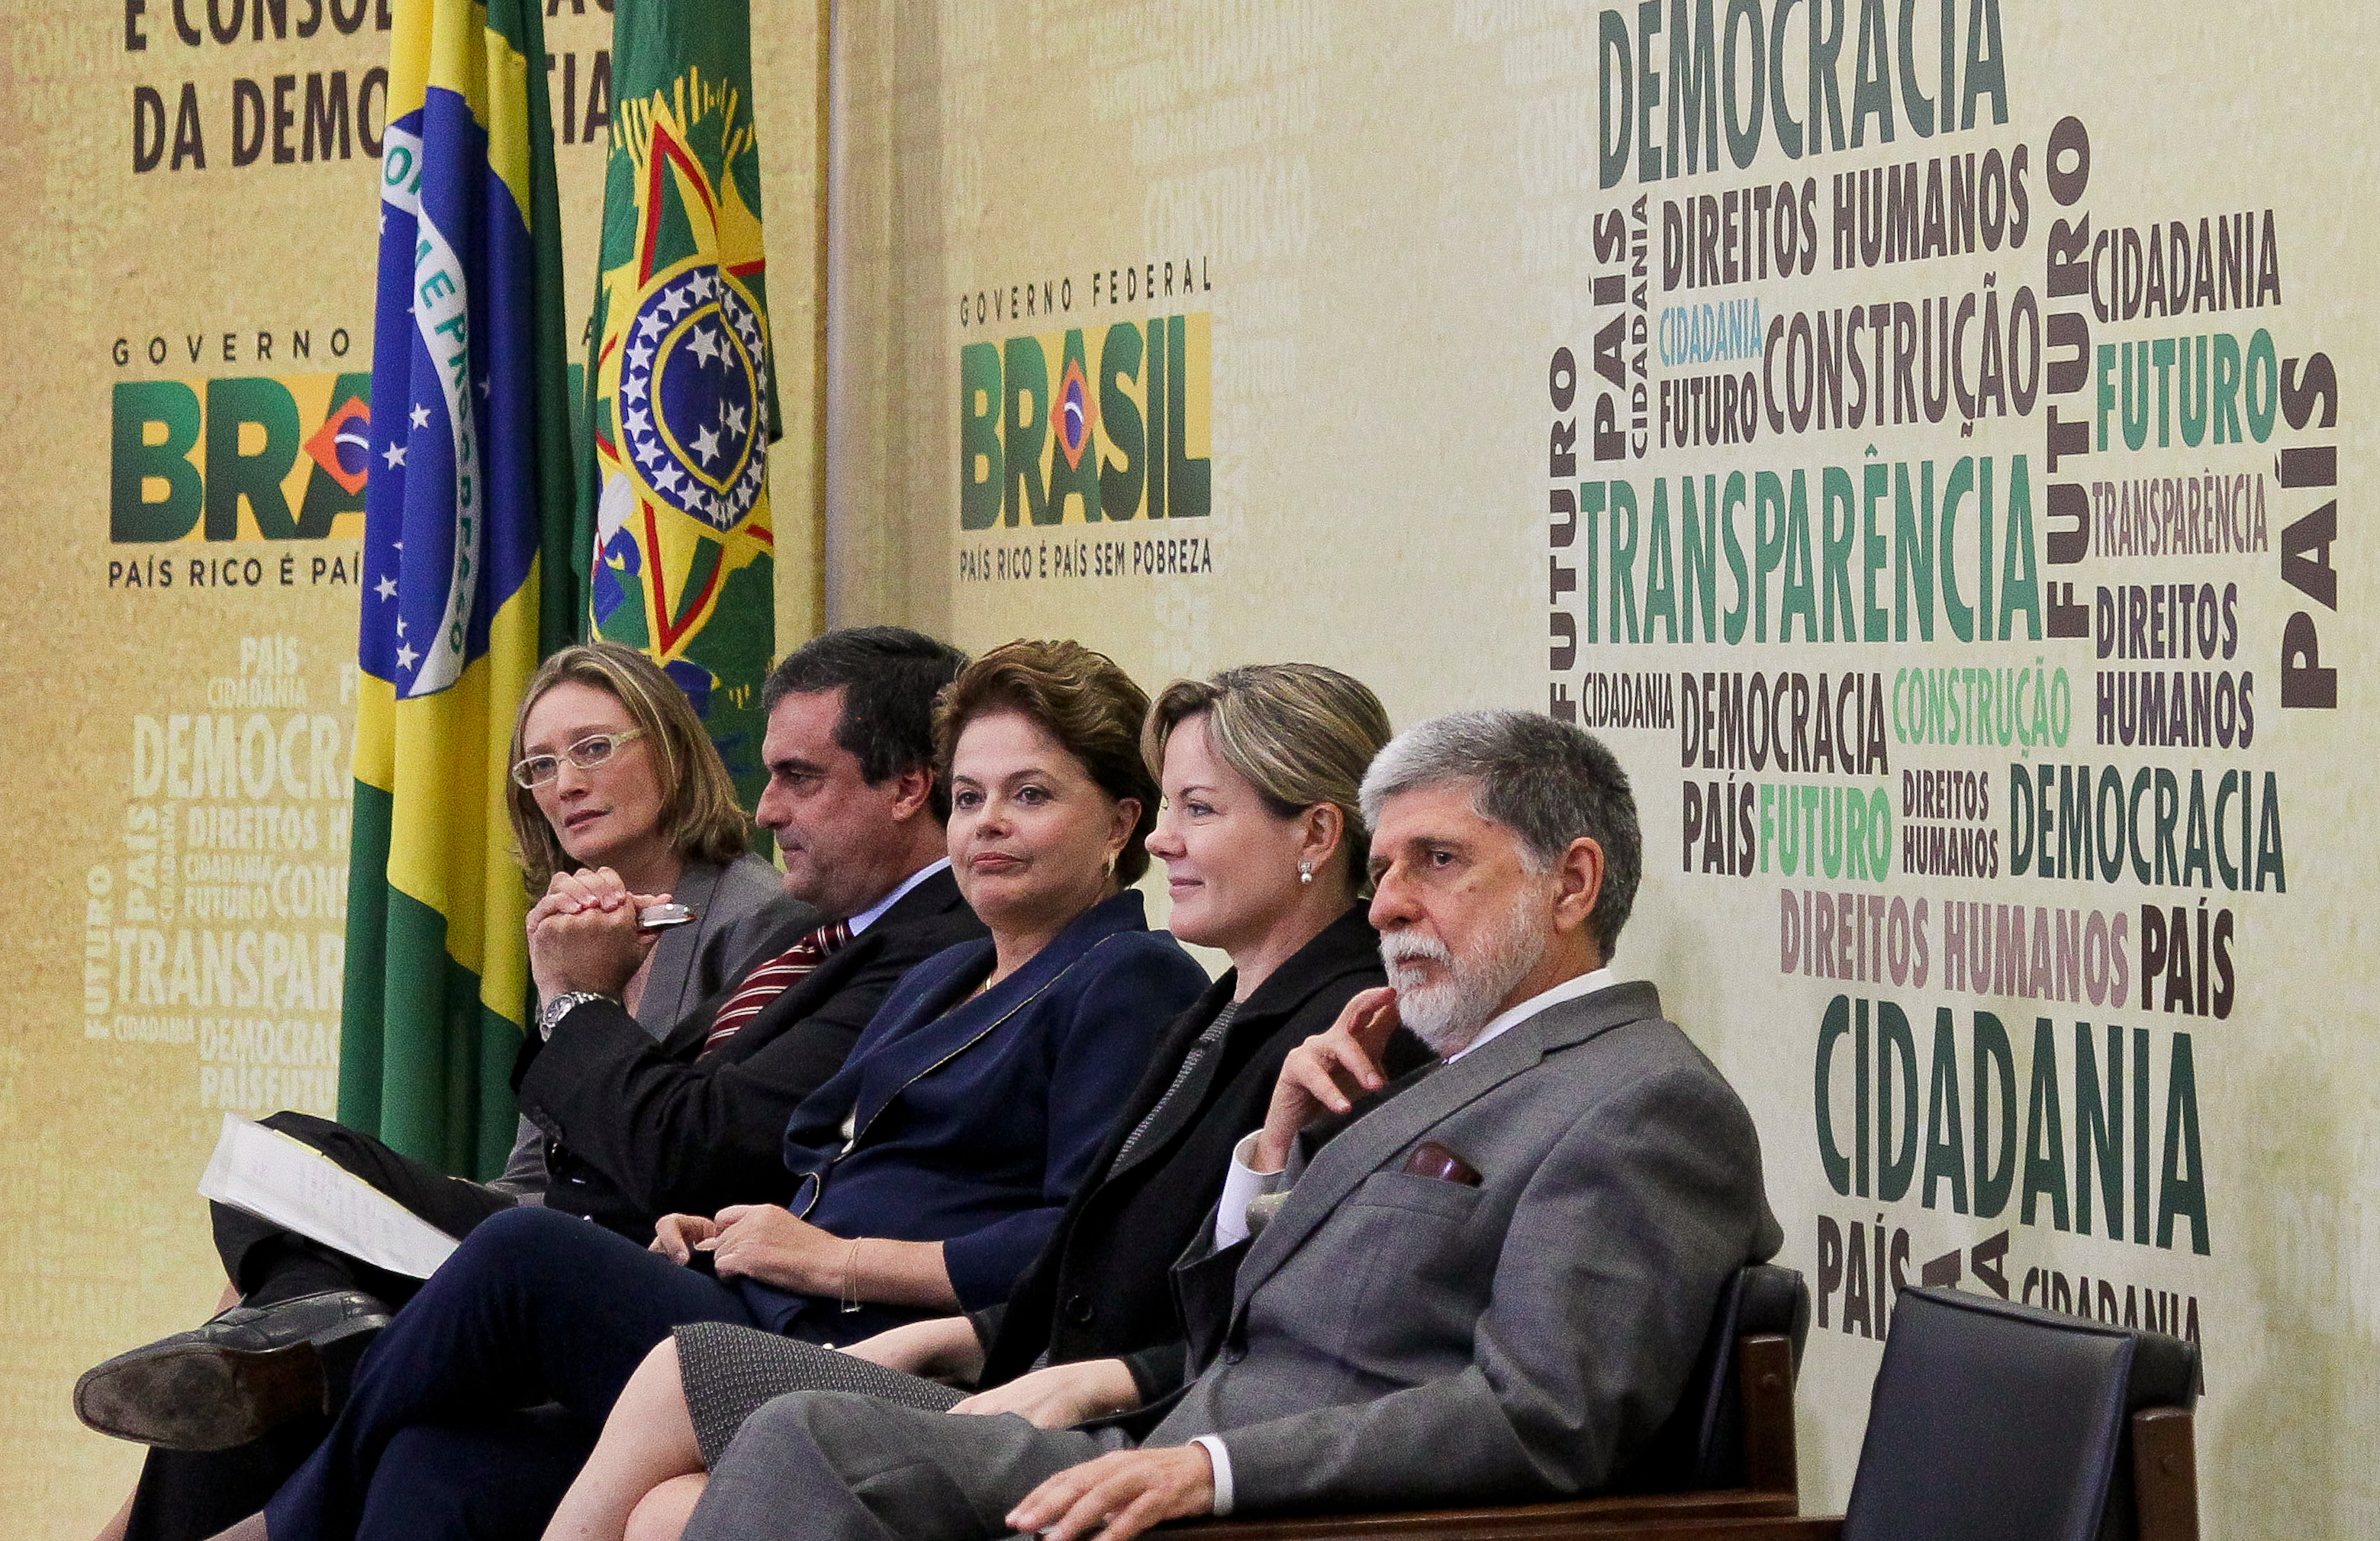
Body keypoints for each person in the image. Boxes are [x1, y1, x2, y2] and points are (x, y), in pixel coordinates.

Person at [670, 708, 1784, 1541]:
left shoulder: (1641, 1101)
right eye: (1385, 864)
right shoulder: (1441, 1062)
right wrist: (1273, 1155)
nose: (1388, 899)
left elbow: (1542, 1419)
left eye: (1437, 862)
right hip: (1155, 1444)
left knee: (802, 1443)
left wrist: (1212, 1469)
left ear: (1572, 883)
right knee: (808, 1428)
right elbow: (1246, 1323)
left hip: (1270, 1508)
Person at [212, 639, 1212, 1541]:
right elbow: (824, 1160)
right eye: (970, 796)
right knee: (439, 1464)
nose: (988, 823)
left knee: (521, 1251)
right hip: (753, 1300)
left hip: (876, 1357)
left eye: (1029, 795)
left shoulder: (1128, 974)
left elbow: (1084, 1244)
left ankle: (280, 1527)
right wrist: (730, 1221)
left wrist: (843, 1262)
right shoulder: (940, 975)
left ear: (1122, 822)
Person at [548, 663, 1422, 1541]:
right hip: (1008, 1360)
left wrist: (1092, 1370)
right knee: (658, 1505)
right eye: (966, 797)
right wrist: (961, 1332)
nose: (1163, 842)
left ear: (1314, 834)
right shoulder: (1217, 1004)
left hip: (1136, 1423)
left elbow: (1287, 1326)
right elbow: (1102, 1255)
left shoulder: (1341, 1027)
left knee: (649, 1348)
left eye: (1198, 811)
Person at [74, 638, 841, 1541]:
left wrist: (581, 997)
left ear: (670, 748)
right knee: (271, 1202)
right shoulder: (574, 920)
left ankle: (278, 1377)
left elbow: (682, 1148)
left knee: (281, 1282)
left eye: (595, 748)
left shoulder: (757, 920)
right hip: (533, 1228)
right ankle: (297, 1329)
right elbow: (530, 1167)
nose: (566, 784)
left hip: (625, 1254)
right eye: (541, 766)